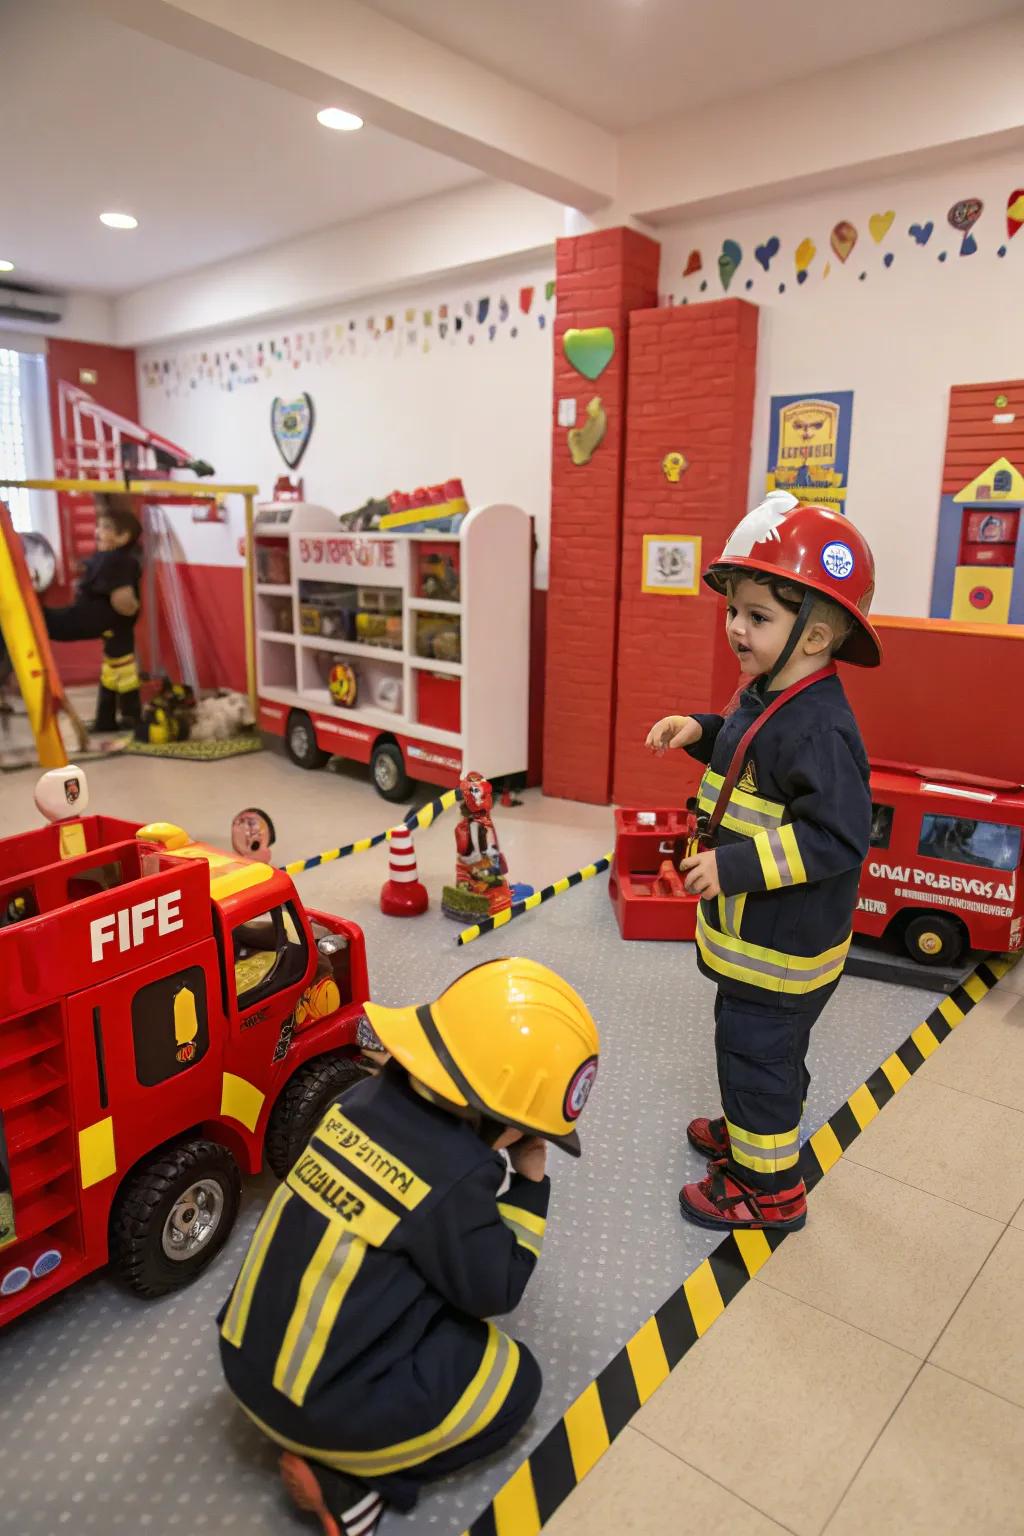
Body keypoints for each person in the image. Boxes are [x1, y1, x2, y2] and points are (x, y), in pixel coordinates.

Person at [217, 957, 600, 1536]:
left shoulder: (356, 1104)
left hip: (242, 1357)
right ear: (510, 1121)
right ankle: (353, 1483)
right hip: (314, 1408)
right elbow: (496, 1290)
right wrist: (529, 1182)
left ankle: (327, 1432)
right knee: (515, 1382)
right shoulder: (454, 1177)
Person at [645, 492, 881, 1233]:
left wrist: (737, 868)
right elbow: (750, 752)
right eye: (734, 611)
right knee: (759, 1052)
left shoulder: (820, 728)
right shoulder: (775, 694)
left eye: (757, 616)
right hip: (758, 941)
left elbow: (838, 837)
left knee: (758, 1059)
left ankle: (768, 1188)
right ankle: (755, 1136)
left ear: (815, 636)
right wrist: (702, 729)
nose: (736, 629)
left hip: (780, 948)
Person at [43, 492, 142, 731]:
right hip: (106, 622)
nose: (97, 531)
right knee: (115, 670)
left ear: (122, 537)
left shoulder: (119, 561)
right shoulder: (107, 556)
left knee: (51, 623)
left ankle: (128, 716)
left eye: (105, 528)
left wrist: (126, 609)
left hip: (100, 619)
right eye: (98, 526)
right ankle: (112, 719)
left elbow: (124, 601)